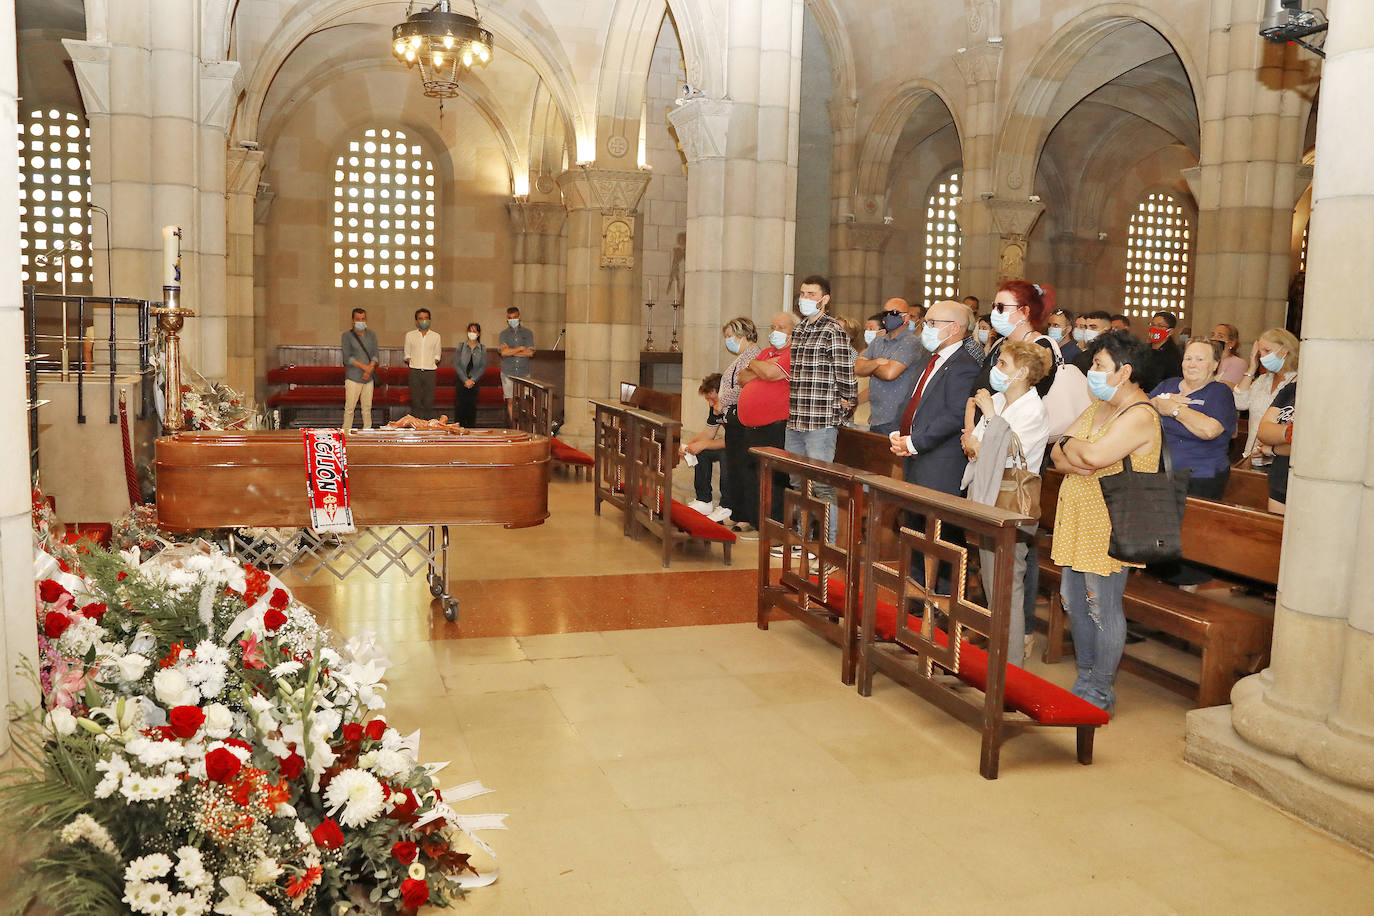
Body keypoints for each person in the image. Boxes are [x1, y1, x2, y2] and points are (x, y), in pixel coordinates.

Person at [1049, 330, 1162, 713]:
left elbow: (1092, 457)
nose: (1093, 371)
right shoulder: (1100, 405)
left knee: (1102, 605)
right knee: (1074, 602)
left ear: (1124, 371)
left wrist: (1078, 452)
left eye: (1099, 365)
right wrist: (1077, 453)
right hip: (1079, 517)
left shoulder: (1141, 415)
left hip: (1112, 522)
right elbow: (1056, 453)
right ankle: (1084, 678)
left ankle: (1100, 689)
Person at [961, 340, 1052, 664]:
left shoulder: (1033, 410)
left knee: (1007, 587)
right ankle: (998, 653)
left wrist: (989, 417)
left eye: (1003, 365)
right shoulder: (999, 399)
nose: (996, 370)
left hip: (1012, 506)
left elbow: (1004, 453)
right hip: (988, 499)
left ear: (1023, 372)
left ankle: (1010, 666)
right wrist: (980, 435)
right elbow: (975, 447)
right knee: (992, 583)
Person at [786, 275, 858, 543]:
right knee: (797, 483)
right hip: (796, 418)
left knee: (823, 486)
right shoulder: (800, 329)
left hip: (820, 421)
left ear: (824, 299)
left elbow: (845, 374)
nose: (804, 299)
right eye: (802, 293)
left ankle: (828, 544)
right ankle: (801, 539)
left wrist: (845, 406)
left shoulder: (832, 330)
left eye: (811, 294)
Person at [888, 300, 981, 495]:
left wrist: (914, 443)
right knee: (911, 522)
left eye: (932, 323)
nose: (925, 329)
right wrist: (899, 432)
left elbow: (955, 415)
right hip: (913, 456)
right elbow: (912, 399)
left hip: (939, 465)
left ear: (954, 327)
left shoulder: (964, 365)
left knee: (935, 524)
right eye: (926, 323)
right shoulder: (929, 358)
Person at [1150, 339, 1237, 499]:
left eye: (1200, 359)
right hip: (1161, 472)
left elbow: (1209, 430)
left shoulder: (1219, 392)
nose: (1191, 364)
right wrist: (1156, 402)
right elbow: (1141, 411)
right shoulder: (1167, 386)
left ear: (1215, 365)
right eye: (1188, 358)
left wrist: (1173, 409)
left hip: (1201, 477)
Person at [736, 312, 794, 534]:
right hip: (752, 426)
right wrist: (759, 365)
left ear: (793, 332)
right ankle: (754, 520)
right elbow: (742, 377)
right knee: (752, 474)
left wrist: (755, 364)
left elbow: (770, 374)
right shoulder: (767, 352)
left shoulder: (793, 353)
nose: (775, 331)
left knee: (774, 478)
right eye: (772, 326)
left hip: (775, 425)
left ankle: (774, 525)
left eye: (781, 327)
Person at [715, 317, 763, 526]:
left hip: (744, 419)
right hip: (734, 418)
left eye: (729, 336)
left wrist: (721, 400)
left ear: (742, 335)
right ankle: (736, 512)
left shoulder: (755, 355)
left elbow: (745, 386)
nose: (728, 341)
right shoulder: (743, 356)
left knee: (745, 470)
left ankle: (747, 516)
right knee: (734, 468)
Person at [854, 298, 921, 435]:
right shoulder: (879, 341)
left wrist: (870, 366)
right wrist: (878, 362)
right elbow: (858, 368)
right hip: (876, 417)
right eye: (886, 313)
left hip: (897, 419)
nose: (889, 317)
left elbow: (890, 373)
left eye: (894, 313)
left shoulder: (911, 342)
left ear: (906, 317)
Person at [1233, 328, 1299, 467]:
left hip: (1278, 459)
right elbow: (1239, 403)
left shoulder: (1296, 382)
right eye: (1260, 352)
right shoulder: (1263, 380)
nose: (1262, 357)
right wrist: (1252, 366)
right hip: (1252, 456)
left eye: (1267, 351)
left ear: (1285, 350)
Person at [682, 373, 728, 516]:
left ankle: (726, 505)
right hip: (731, 443)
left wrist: (704, 444)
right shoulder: (714, 406)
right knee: (701, 451)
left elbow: (734, 440)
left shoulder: (734, 404)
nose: (710, 403)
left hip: (743, 447)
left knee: (726, 455)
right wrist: (688, 445)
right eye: (707, 399)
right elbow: (709, 432)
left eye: (711, 398)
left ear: (721, 392)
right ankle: (704, 500)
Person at [1257, 381, 1296, 515]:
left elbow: (1312, 444)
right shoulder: (1291, 389)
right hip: (1281, 480)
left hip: (1311, 483)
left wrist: (1274, 448)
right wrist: (1291, 433)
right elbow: (1263, 431)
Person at [341, 307, 379, 430]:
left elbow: (375, 354)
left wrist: (370, 368)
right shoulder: (346, 335)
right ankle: (346, 433)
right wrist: (365, 368)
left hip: (369, 378)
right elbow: (347, 358)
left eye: (363, 319)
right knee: (350, 409)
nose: (360, 321)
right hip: (353, 377)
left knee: (367, 409)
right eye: (358, 319)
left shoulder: (372, 334)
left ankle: (367, 432)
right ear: (353, 320)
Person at [498, 306, 535, 424]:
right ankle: (515, 426)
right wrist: (520, 348)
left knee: (526, 401)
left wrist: (511, 351)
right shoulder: (503, 334)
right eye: (510, 318)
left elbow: (530, 352)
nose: (512, 320)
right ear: (507, 319)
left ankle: (526, 426)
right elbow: (504, 352)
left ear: (519, 317)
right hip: (508, 372)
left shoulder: (528, 333)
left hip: (524, 372)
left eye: (514, 317)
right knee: (510, 400)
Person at [403, 307, 441, 420]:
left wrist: (429, 363)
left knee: (429, 402)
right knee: (415, 402)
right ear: (416, 321)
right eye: (420, 318)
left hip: (430, 372)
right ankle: (416, 428)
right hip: (415, 371)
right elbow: (407, 355)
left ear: (429, 320)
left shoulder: (436, 336)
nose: (423, 321)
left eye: (426, 318)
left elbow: (437, 355)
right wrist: (416, 363)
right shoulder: (410, 335)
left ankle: (427, 428)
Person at [454, 322, 487, 428]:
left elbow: (482, 366)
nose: (472, 333)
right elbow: (456, 364)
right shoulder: (461, 346)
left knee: (471, 408)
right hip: (461, 381)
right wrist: (465, 380)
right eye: (470, 331)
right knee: (460, 408)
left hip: (474, 382)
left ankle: (470, 431)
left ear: (479, 333)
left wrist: (473, 380)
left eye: (474, 331)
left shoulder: (482, 348)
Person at [1145, 310, 1184, 385]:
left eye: (1160, 326)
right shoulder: (1142, 350)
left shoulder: (1175, 355)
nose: (1154, 328)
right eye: (1152, 324)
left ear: (1170, 332)